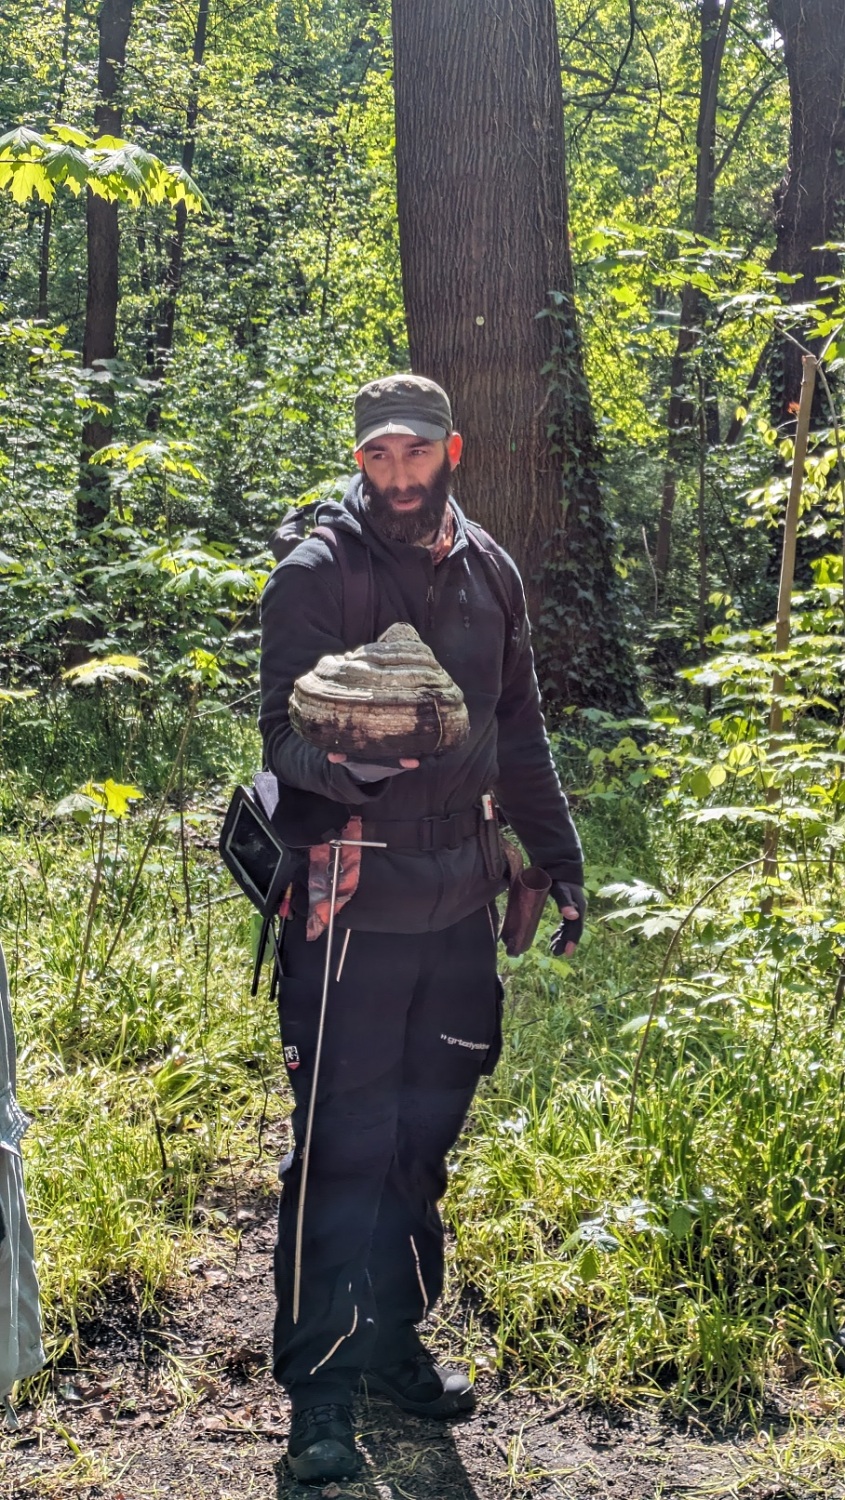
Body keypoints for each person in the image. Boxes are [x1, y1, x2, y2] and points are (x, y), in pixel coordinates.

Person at [259, 373, 585, 1484]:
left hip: (459, 902)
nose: (394, 475)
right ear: (359, 462)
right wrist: (343, 762)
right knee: (340, 1150)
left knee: (419, 1145)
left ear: (453, 449)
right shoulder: (319, 572)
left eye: (413, 453)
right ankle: (319, 1390)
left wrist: (559, 858)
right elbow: (277, 737)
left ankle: (393, 1341)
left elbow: (520, 730)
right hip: (351, 901)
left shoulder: (488, 571)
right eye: (376, 457)